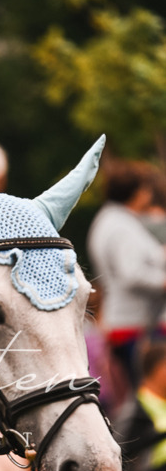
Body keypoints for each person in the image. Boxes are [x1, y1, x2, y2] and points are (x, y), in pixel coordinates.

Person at [86, 159, 166, 388]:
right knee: (147, 391)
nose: (150, 194)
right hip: (133, 326)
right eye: (146, 187)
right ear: (137, 192)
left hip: (127, 322)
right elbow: (132, 273)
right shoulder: (120, 226)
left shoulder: (112, 220)